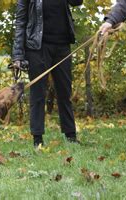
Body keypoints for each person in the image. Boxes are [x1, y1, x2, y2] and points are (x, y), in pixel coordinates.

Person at [12, 0, 83, 147]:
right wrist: (18, 55)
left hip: (62, 45)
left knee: (65, 92)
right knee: (38, 94)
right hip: (37, 47)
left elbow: (77, 2)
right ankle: (37, 139)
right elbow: (20, 22)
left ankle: (71, 136)